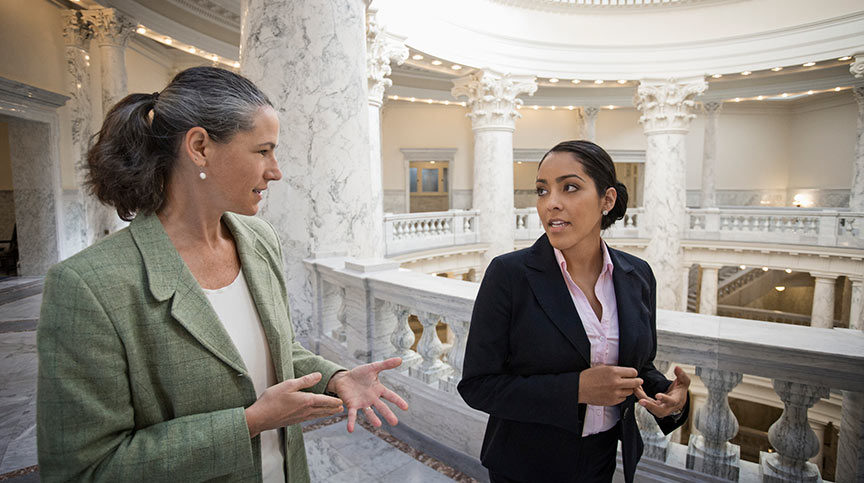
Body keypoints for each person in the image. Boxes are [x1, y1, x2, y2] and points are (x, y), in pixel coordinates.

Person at [36, 66, 408, 483]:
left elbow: (271, 352)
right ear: (199, 147)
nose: (276, 170)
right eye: (262, 150)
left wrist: (335, 377)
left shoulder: (258, 238)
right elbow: (84, 470)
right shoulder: (88, 286)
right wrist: (248, 423)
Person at [458, 140, 691, 483]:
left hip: (601, 461)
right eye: (542, 190)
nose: (551, 203)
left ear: (607, 200)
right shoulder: (509, 275)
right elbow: (478, 386)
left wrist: (666, 395)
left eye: (569, 187)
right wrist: (576, 390)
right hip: (524, 466)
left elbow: (637, 364)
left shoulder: (637, 275)